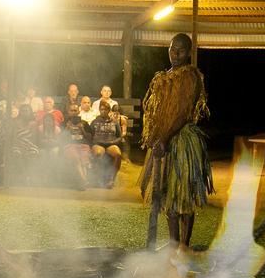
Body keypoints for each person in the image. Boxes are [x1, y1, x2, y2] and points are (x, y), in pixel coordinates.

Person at [139, 33, 214, 252]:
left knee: (184, 195)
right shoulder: (162, 77)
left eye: (180, 50)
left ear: (189, 52)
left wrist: (166, 136)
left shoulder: (190, 76)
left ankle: (183, 245)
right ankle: (173, 244)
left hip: (182, 140)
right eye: (172, 49)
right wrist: (154, 136)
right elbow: (153, 111)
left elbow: (183, 113)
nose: (175, 54)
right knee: (167, 195)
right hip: (162, 141)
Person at [91, 100, 124, 187]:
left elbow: (119, 136)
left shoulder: (114, 122)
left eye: (105, 109)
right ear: (99, 110)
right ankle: (98, 179)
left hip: (111, 144)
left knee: (118, 154)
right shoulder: (95, 122)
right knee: (98, 153)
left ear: (109, 110)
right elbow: (90, 135)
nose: (103, 111)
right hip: (99, 144)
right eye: (101, 109)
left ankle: (111, 179)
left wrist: (113, 142)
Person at [61, 102, 93, 189]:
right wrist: (67, 129)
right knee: (76, 158)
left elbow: (89, 137)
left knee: (83, 160)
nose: (74, 112)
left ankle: (82, 182)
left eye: (75, 110)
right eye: (72, 110)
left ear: (79, 112)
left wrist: (82, 129)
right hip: (70, 145)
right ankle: (84, 180)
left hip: (83, 145)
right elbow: (61, 139)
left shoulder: (84, 123)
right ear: (68, 112)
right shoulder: (64, 123)